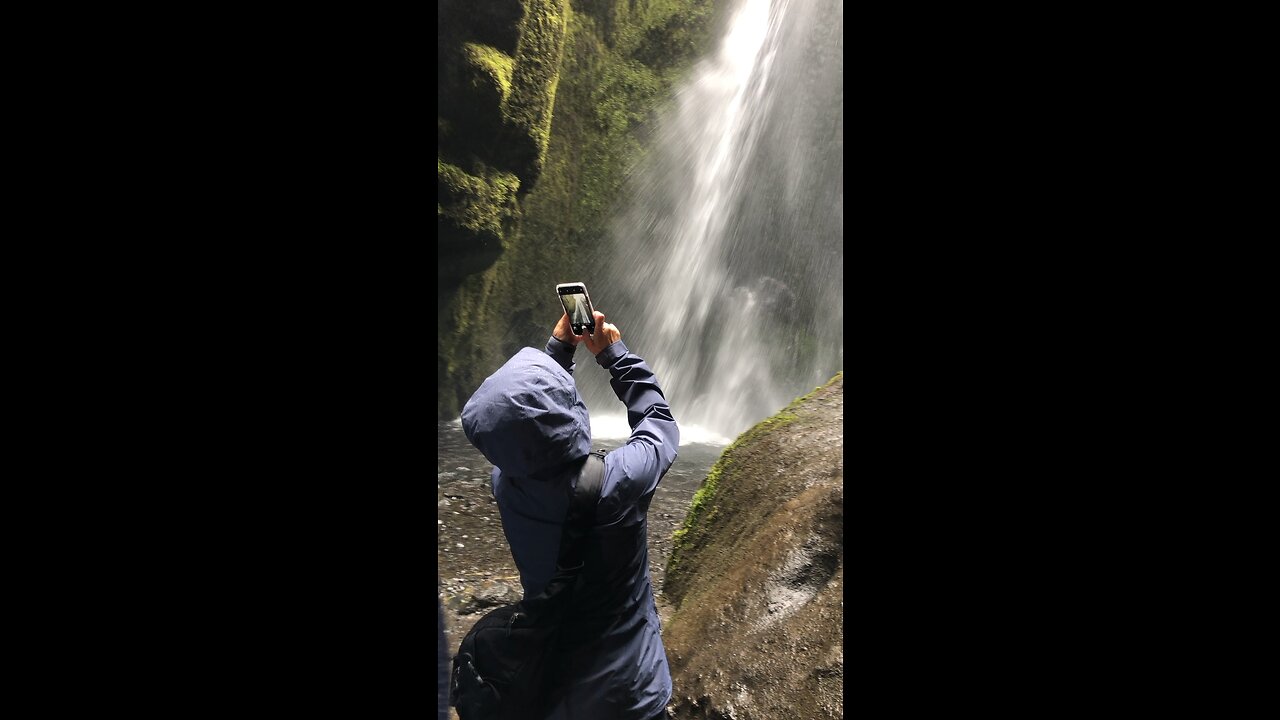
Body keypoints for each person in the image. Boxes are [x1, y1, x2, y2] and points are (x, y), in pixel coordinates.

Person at [461, 308, 678, 720]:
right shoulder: (617, 483)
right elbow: (660, 425)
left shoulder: (506, 485)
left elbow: (527, 424)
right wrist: (615, 354)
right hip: (632, 692)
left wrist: (556, 352)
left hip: (554, 687)